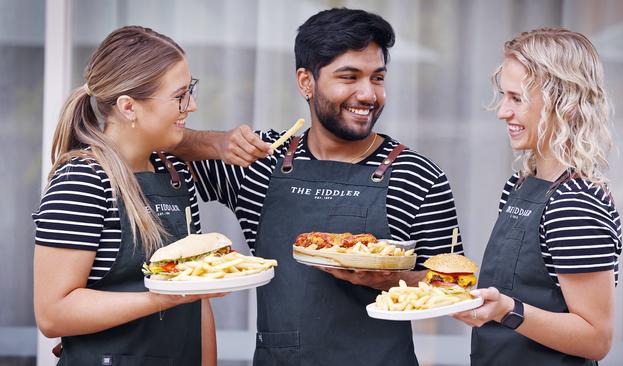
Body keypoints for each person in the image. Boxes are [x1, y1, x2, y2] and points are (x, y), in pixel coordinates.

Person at [175, 8, 463, 365]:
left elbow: (452, 284)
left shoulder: (417, 174)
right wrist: (217, 142)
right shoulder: (260, 159)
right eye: (349, 76)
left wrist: (388, 278)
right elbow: (157, 139)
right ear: (305, 82)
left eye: (377, 78)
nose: (368, 94)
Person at [32, 26, 224, 365]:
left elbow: (198, 300)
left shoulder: (174, 174)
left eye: (190, 90)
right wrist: (164, 297)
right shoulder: (81, 181)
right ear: (128, 107)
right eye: (179, 95)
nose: (191, 106)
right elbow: (53, 313)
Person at [453, 28, 622, 365]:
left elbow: (596, 338)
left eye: (517, 98)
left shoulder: (575, 204)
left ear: (564, 103)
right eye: (504, 96)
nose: (502, 111)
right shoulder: (519, 186)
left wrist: (507, 310)